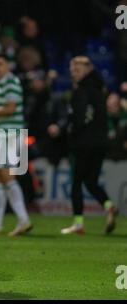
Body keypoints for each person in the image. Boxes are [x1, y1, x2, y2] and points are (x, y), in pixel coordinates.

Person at [61, 56, 118, 235]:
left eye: (77, 70)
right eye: (72, 71)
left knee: (77, 182)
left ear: (87, 70)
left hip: (84, 143)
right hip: (101, 143)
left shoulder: (82, 91)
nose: (73, 74)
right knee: (91, 181)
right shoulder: (100, 88)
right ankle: (108, 206)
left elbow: (81, 117)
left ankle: (78, 223)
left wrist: (71, 130)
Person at [0, 54, 32, 236]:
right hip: (3, 133)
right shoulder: (3, 83)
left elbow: (11, 108)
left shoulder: (10, 82)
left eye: (0, 64)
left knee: (7, 176)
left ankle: (23, 219)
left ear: (8, 66)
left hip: (10, 134)